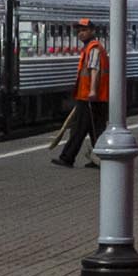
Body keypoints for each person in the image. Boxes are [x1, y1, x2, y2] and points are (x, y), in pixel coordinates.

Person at [51, 19, 107, 168]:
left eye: (84, 30)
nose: (81, 33)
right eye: (79, 31)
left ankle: (67, 157)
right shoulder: (90, 48)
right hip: (88, 95)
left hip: (91, 96)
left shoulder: (94, 48)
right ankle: (100, 159)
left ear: (92, 31)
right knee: (93, 129)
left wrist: (93, 91)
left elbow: (94, 70)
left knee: (80, 129)